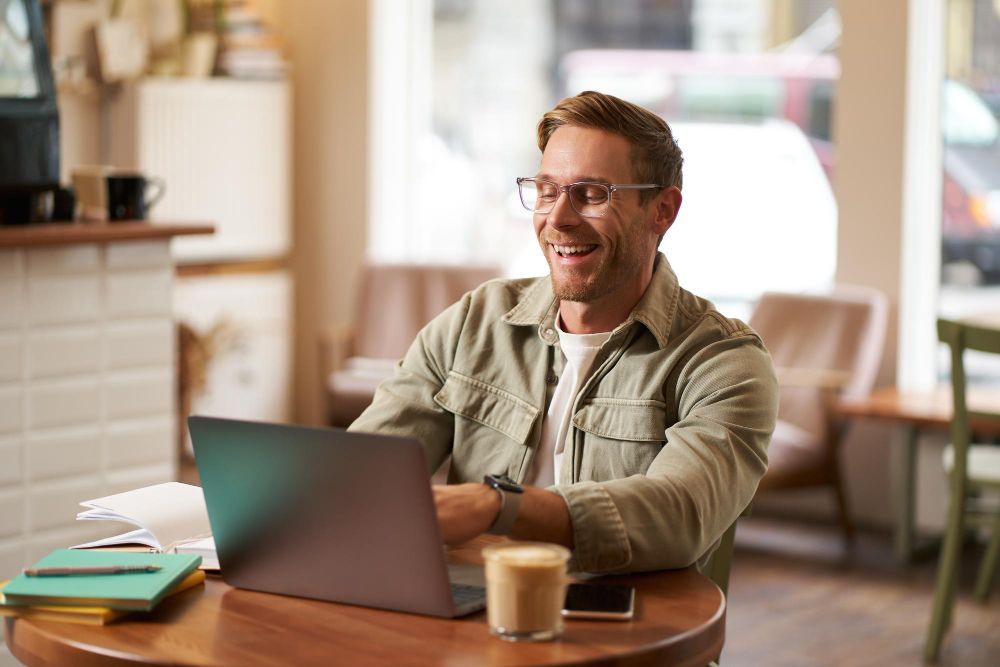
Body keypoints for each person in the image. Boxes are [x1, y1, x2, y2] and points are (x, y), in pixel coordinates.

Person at [350, 91, 778, 574]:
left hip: (633, 634)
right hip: (470, 622)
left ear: (662, 210)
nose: (558, 219)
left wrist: (498, 505)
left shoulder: (723, 363)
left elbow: (680, 514)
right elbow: (366, 473)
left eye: (593, 194)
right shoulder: (474, 321)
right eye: (548, 191)